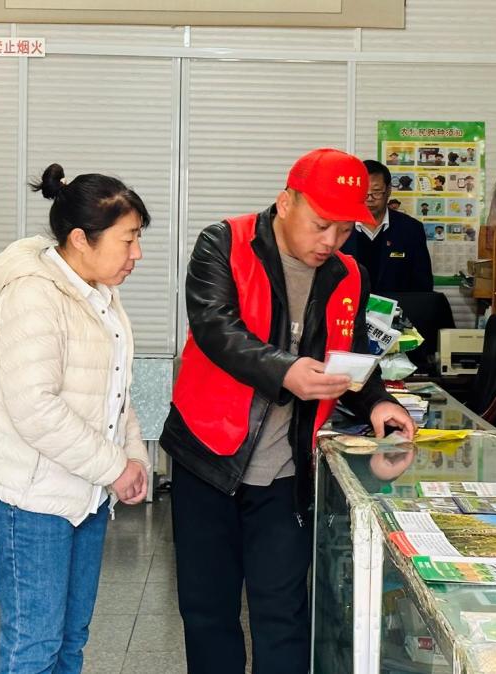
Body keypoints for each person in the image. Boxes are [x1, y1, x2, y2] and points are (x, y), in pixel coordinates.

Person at [161, 148, 416, 674]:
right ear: (285, 202)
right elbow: (216, 330)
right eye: (322, 225)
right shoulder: (223, 243)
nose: (331, 242)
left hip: (284, 471)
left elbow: (350, 355)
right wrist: (286, 371)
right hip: (208, 459)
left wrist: (377, 401)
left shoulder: (349, 274)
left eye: (345, 231)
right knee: (208, 613)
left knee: (284, 614)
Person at [0, 164, 153, 673]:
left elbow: (115, 390)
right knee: (34, 644)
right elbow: (35, 407)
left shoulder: (99, 295)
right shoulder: (32, 294)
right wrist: (113, 466)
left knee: (70, 640)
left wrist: (133, 458)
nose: (136, 254)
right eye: (128, 240)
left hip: (84, 493)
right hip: (33, 499)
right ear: (80, 238)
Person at [340, 160, 434, 293]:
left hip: (398, 311)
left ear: (389, 190)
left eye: (376, 192)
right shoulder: (339, 228)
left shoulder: (411, 229)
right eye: (363, 192)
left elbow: (423, 285)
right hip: (350, 311)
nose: (369, 199)